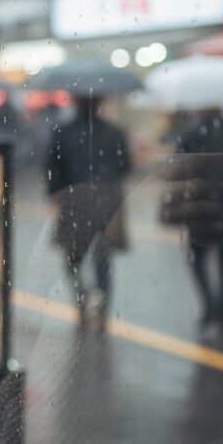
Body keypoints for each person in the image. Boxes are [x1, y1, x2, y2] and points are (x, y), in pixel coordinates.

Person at [47, 95, 132, 326]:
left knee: (73, 260)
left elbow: (53, 168)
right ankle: (102, 310)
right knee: (103, 260)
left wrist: (54, 194)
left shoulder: (63, 132)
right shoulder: (114, 132)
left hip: (75, 201)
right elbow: (125, 166)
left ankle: (83, 298)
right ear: (100, 103)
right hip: (107, 201)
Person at [172, 108, 223, 340]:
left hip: (203, 208)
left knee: (196, 258)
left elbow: (179, 168)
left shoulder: (191, 136)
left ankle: (210, 304)